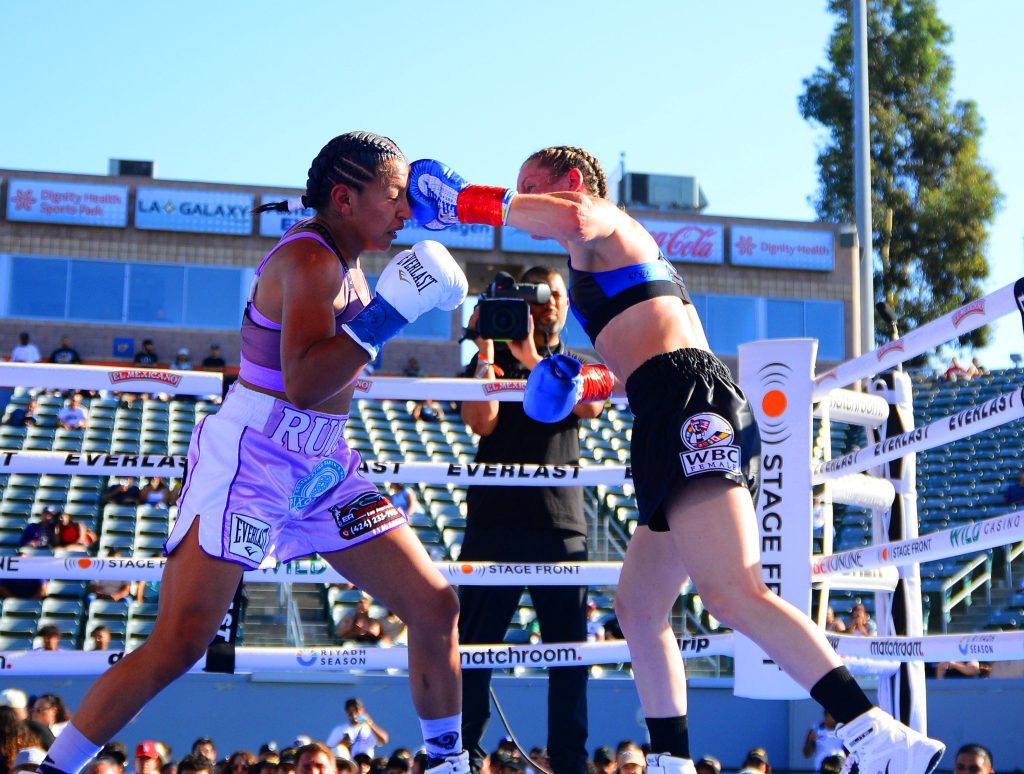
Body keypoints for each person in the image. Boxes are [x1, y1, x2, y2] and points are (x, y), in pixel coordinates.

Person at [407, 147, 946, 774]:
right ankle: (670, 761)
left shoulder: (599, 218)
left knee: (733, 592)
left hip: (689, 403)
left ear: (573, 184)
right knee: (637, 606)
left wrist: (469, 200)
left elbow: (581, 228)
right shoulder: (599, 260)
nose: (525, 199)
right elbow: (648, 348)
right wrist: (588, 385)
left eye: (534, 186)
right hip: (666, 408)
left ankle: (876, 734)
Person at [38, 132, 470, 774]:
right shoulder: (312, 261)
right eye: (394, 197)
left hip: (324, 466)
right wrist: (392, 312)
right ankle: (57, 767)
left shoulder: (346, 262)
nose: (405, 211)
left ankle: (447, 762)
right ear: (345, 199)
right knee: (181, 642)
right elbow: (303, 381)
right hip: (253, 458)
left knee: (434, 604)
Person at [456, 263, 604, 774]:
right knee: (474, 649)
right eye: (539, 295)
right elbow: (482, 421)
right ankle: (465, 757)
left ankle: (569, 762)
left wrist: (534, 359)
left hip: (559, 525)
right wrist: (486, 352)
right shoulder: (485, 358)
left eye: (557, 294)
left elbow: (591, 410)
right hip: (493, 522)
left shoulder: (574, 361)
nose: (551, 303)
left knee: (568, 653)